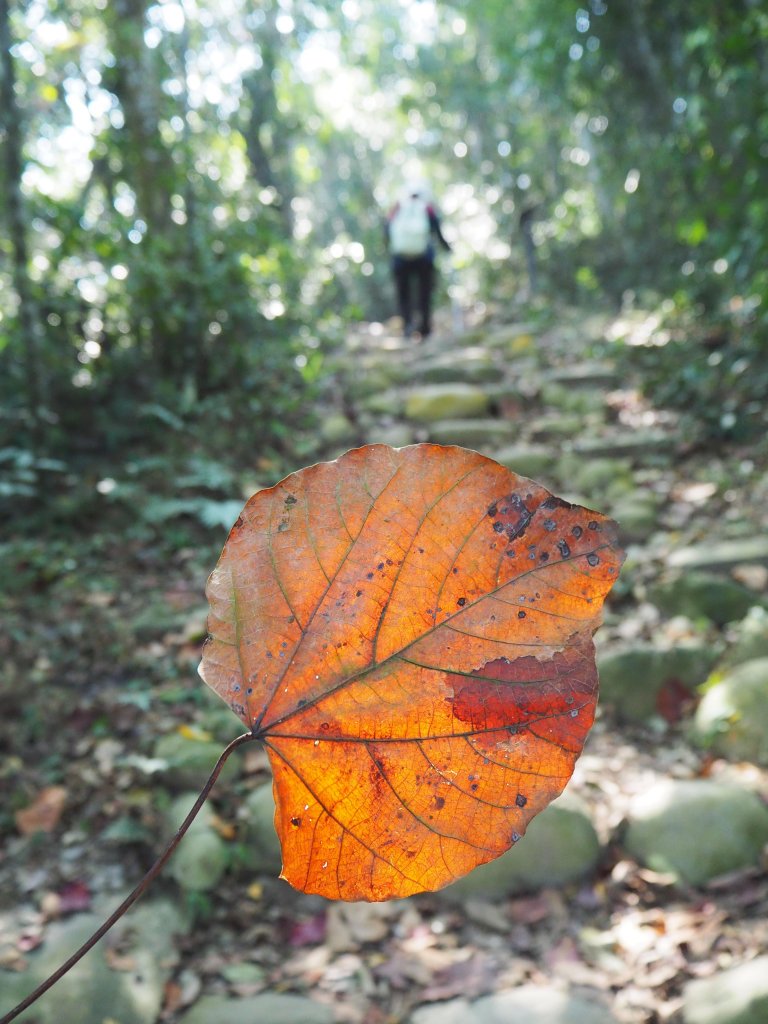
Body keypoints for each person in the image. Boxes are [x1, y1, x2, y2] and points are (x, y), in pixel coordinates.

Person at [386, 182, 451, 339]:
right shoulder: (427, 208)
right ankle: (425, 328)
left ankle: (408, 327)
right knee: (425, 294)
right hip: (424, 258)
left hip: (400, 259)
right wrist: (448, 248)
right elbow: (437, 230)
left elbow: (386, 230)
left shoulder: (397, 208)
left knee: (404, 295)